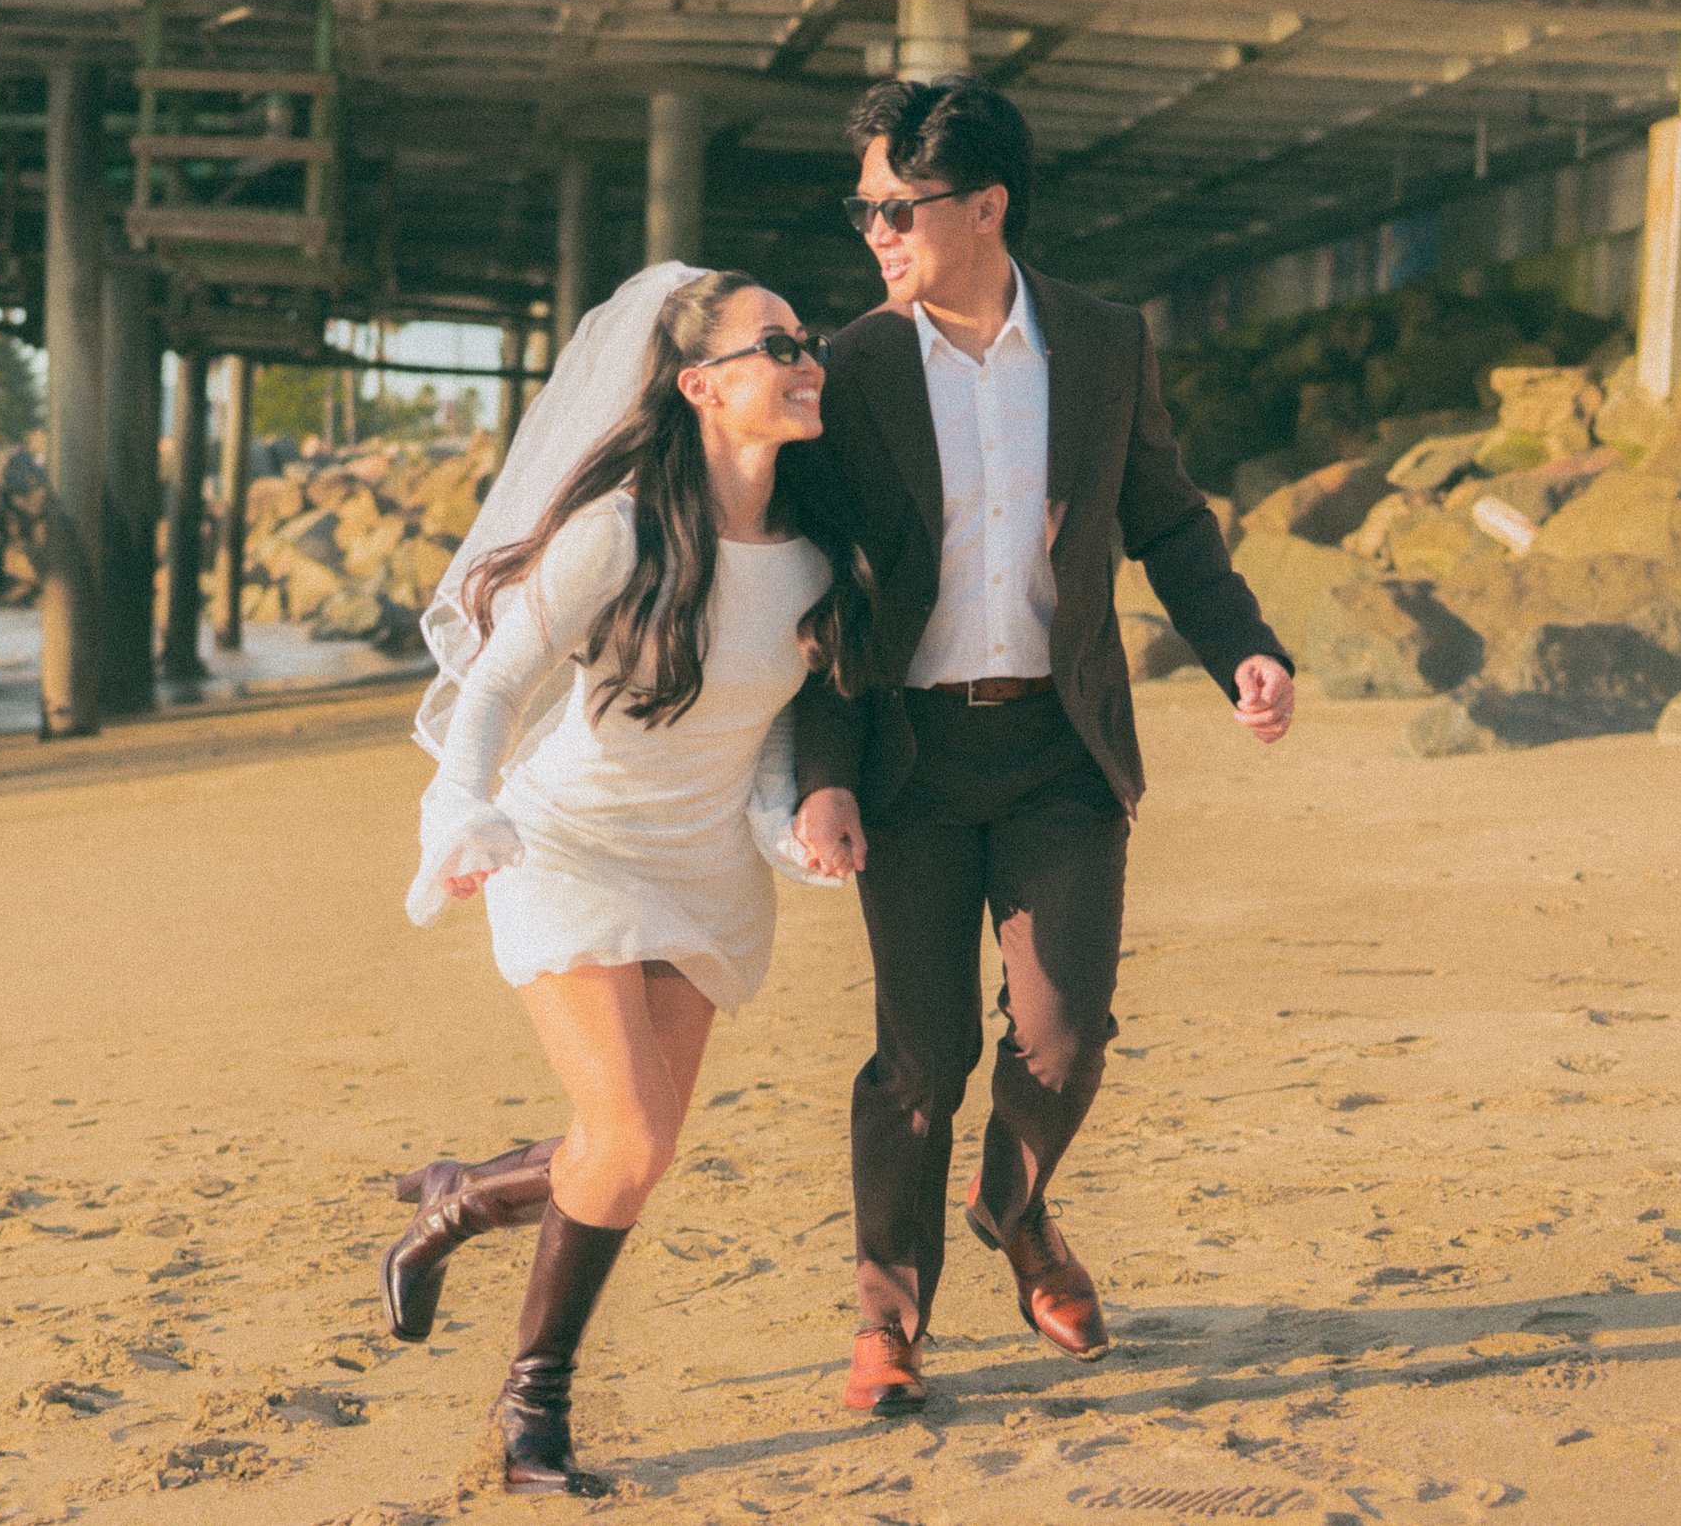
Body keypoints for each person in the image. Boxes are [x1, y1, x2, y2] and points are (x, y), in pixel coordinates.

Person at [782, 76, 1297, 1418]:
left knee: (1064, 1038)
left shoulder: (1105, 342)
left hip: (1064, 747)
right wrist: (823, 769)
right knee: (925, 1054)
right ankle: (889, 1311)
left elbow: (1169, 520)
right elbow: (826, 590)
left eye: (899, 206)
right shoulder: (854, 367)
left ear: (987, 204)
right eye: (864, 209)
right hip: (911, 757)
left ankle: (1012, 1204)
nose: (876, 231)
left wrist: (1245, 639)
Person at [395, 264, 869, 1495]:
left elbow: (759, 723)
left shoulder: (812, 559)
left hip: (705, 869)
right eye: (778, 344)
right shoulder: (619, 533)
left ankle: (455, 1198)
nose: (806, 358)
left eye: (806, 341)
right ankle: (530, 1416)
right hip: (570, 847)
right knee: (631, 1132)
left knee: (627, 1152)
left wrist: (786, 824)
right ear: (702, 385)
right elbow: (495, 684)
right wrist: (463, 804)